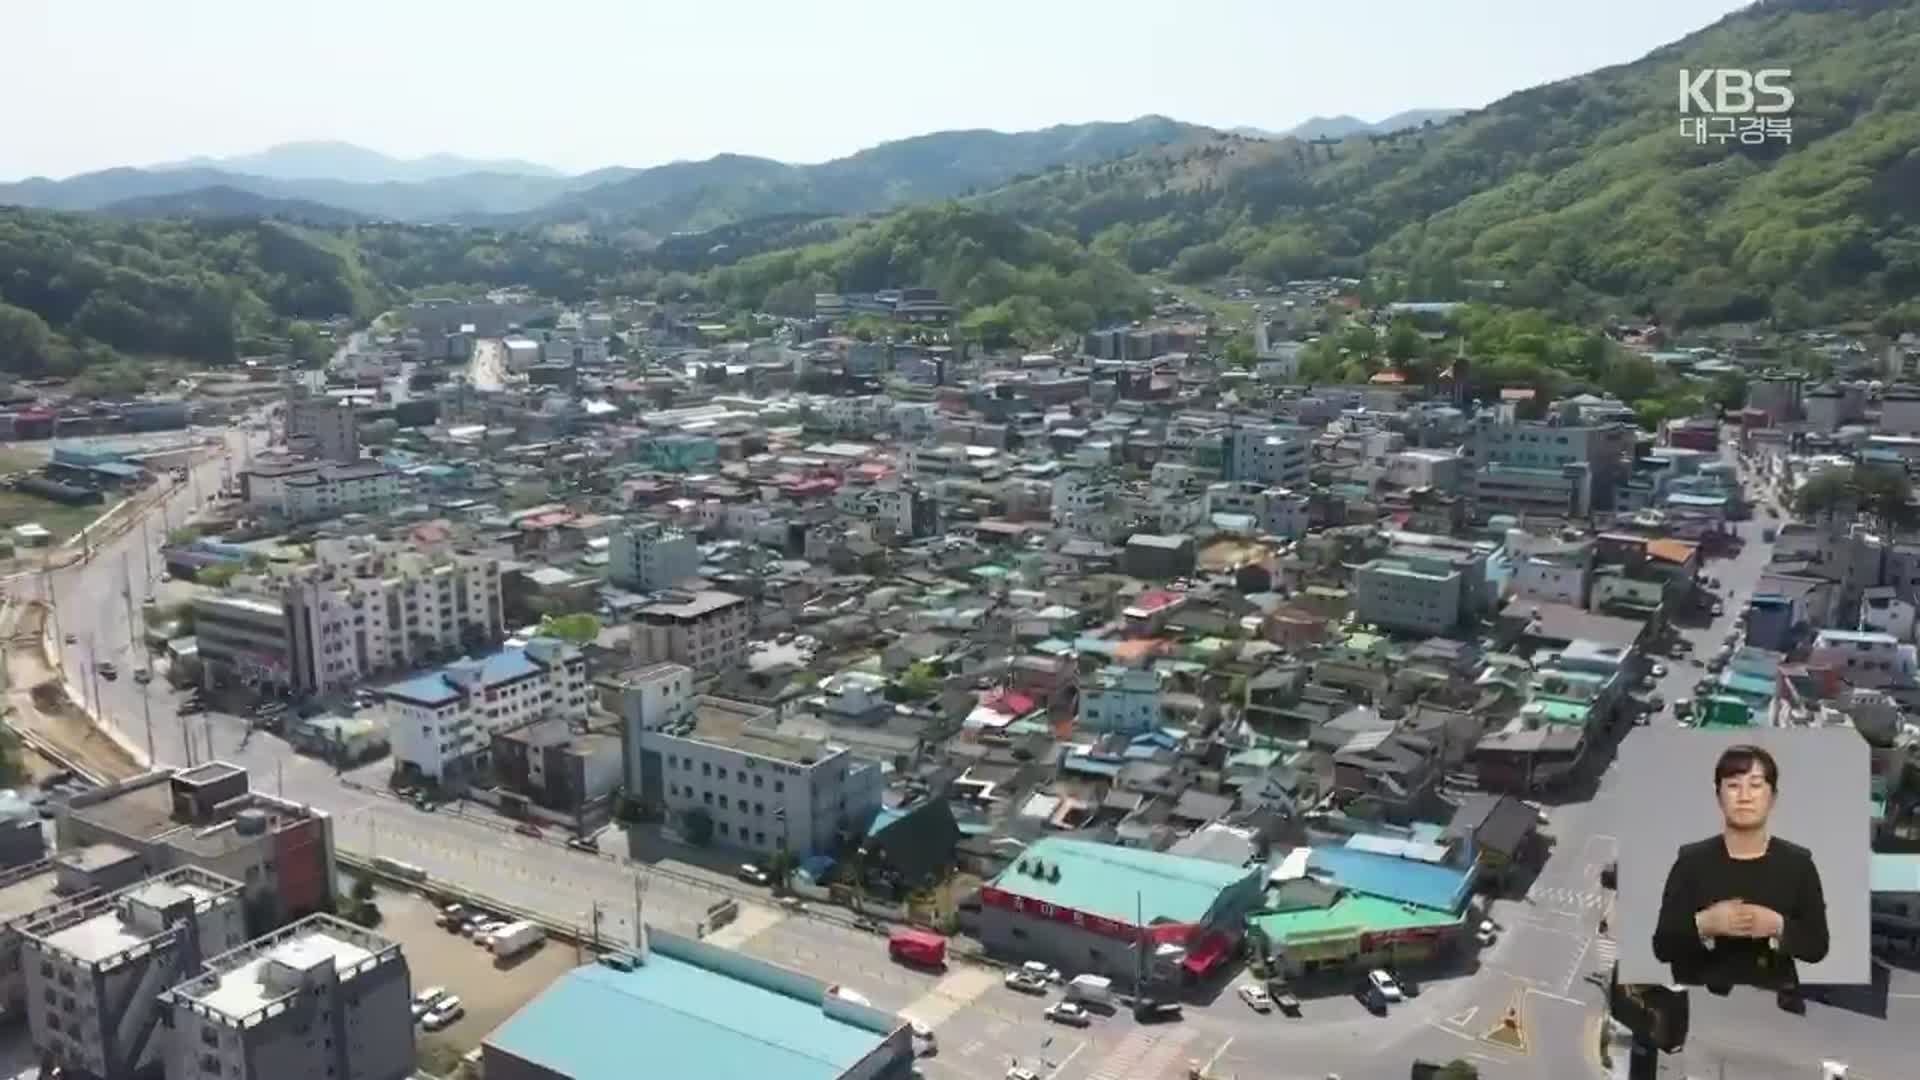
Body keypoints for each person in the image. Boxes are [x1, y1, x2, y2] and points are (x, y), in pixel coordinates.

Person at [1651, 744, 1828, 998]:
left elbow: (1817, 946)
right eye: (1733, 786)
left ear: (1773, 797)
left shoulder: (1799, 865)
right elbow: (1662, 946)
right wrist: (1704, 924)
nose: (1744, 796)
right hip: (1702, 997)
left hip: (1771, 1002)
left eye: (1755, 785)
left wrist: (1777, 925)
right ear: (1718, 796)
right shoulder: (1691, 862)